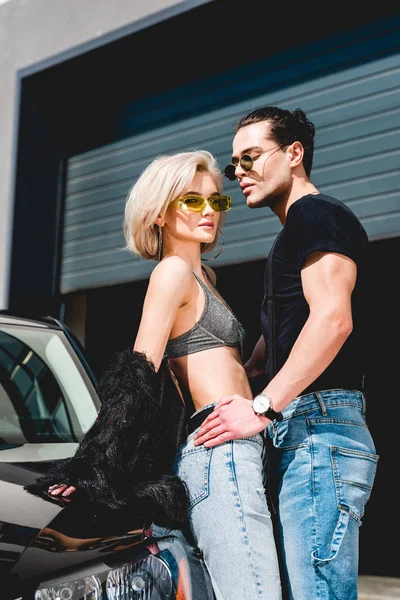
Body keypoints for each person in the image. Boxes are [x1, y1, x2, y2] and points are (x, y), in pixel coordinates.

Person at [33, 150, 282, 600]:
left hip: (237, 452)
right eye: (192, 200)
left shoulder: (203, 274)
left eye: (216, 202)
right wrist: (94, 466)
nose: (209, 211)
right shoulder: (171, 273)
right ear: (159, 212)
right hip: (221, 456)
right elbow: (139, 373)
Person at [194, 106, 379, 600]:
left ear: (294, 153)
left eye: (251, 157)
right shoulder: (291, 234)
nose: (239, 174)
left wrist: (259, 408)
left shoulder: (317, 215)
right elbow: (262, 359)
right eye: (235, 164)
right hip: (301, 429)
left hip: (318, 427)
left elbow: (333, 320)